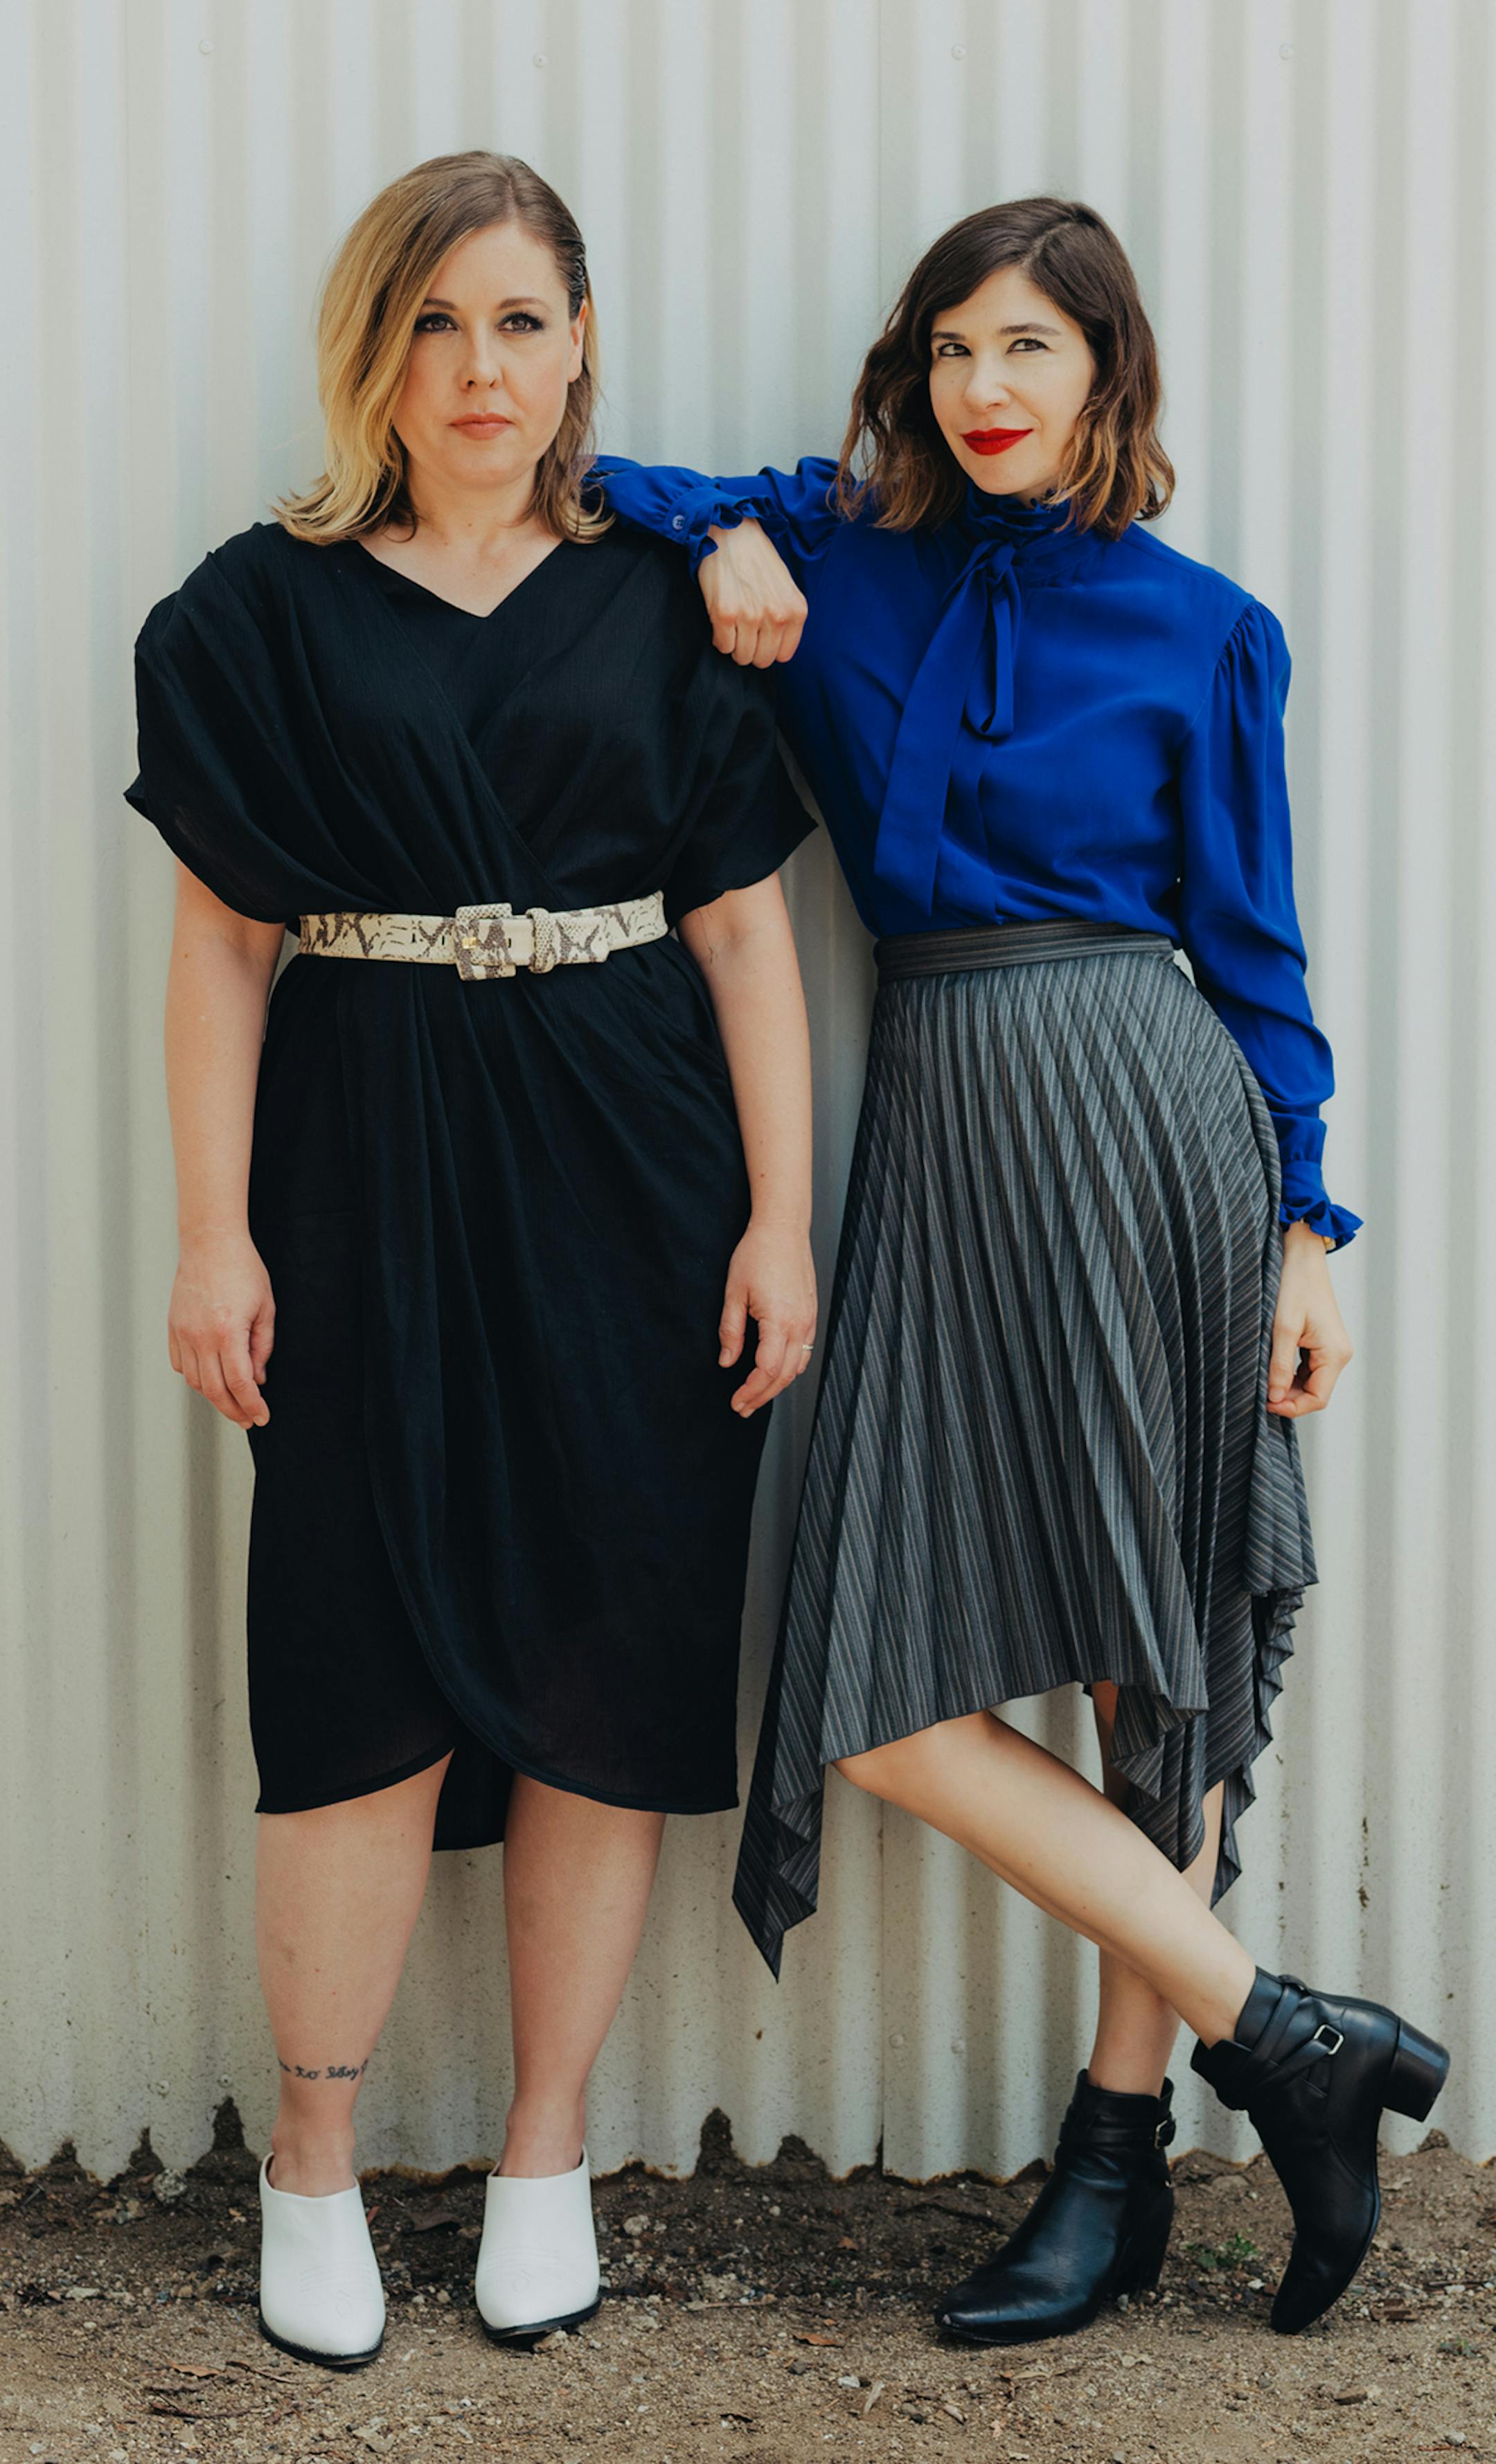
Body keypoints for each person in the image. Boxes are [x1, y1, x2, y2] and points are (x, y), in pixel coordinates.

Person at [591, 195, 1447, 2343]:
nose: (990, 390)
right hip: (955, 1116)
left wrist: (1305, 1232)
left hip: (1160, 1125)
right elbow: (608, 479)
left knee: (1158, 1662)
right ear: (915, 366)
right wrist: (725, 538)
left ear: (1105, 377)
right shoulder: (852, 559)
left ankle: (1114, 2150)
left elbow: (1255, 956)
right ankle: (1291, 2031)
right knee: (883, 1693)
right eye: (958, 348)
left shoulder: (1204, 626)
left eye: (1032, 353)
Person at [125, 150, 817, 2368]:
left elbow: (745, 928)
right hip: (363, 1167)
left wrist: (782, 1215)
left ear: (583, 340)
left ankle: (545, 2149)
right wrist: (211, 1230)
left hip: (636, 1166)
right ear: (378, 353)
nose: (482, 367)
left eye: (521, 320)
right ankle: (309, 2170)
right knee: (352, 1660)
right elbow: (222, 950)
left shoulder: (668, 601)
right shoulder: (256, 613)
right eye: (439, 324)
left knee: (611, 1650)